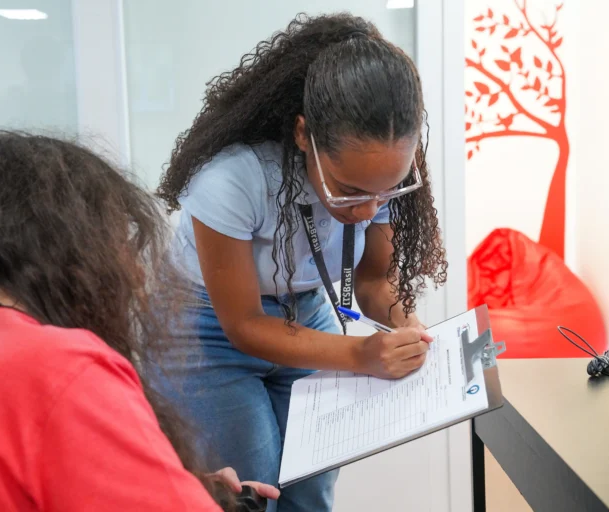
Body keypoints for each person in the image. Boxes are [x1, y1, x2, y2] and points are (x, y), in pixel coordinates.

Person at [0, 131, 279, 511]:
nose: (136, 276)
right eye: (121, 245)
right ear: (74, 254)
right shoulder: (54, 365)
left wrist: (181, 484)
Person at [155, 13, 448, 512]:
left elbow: (375, 280)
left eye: (387, 191)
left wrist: (409, 326)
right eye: (350, 190)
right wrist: (360, 355)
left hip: (302, 306)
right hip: (204, 324)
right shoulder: (232, 179)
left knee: (312, 488)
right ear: (302, 134)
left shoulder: (383, 176)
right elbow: (244, 325)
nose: (368, 209)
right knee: (255, 486)